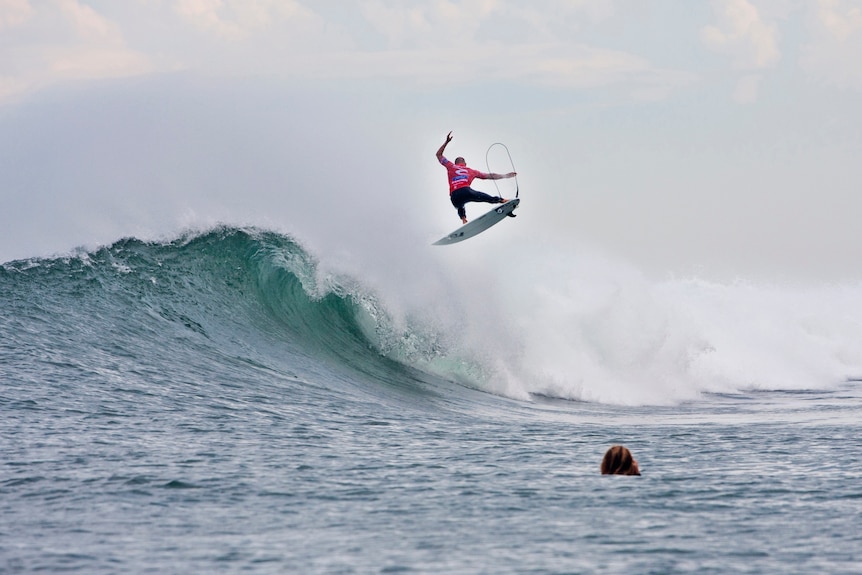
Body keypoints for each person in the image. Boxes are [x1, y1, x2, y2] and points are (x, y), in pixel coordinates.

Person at [436, 131, 517, 224]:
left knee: (460, 206)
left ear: (455, 163)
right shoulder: (471, 171)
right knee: (483, 196)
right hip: (466, 191)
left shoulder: (450, 166)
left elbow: (438, 155)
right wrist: (505, 175)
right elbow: (490, 176)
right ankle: (501, 200)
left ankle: (463, 219)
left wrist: (446, 142)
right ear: (465, 164)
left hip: (454, 197)